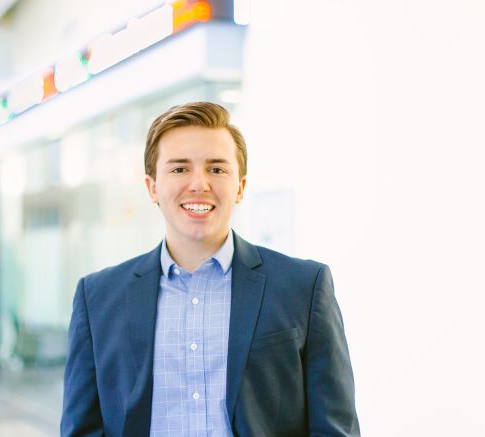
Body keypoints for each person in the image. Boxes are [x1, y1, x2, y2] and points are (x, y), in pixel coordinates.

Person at [61, 102, 360, 436]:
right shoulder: (98, 297)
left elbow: (334, 427)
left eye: (217, 169)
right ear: (152, 187)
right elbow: (82, 428)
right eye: (179, 169)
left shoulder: (303, 287)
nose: (199, 184)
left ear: (240, 187)